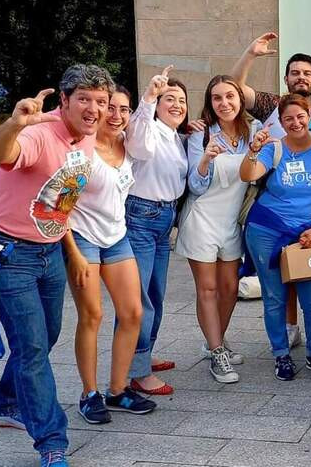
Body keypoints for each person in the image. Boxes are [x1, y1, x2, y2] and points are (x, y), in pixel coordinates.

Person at [0, 64, 115, 467]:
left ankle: (4, 402)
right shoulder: (40, 133)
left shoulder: (87, 138)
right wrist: (13, 123)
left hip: (51, 249)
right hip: (10, 252)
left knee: (47, 334)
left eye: (101, 101)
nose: (93, 109)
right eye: (84, 100)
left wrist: (72, 250)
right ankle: (51, 441)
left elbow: (61, 202)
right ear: (64, 101)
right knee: (33, 347)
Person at [230, 32, 311, 347]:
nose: (301, 78)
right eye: (295, 73)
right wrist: (251, 53)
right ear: (287, 78)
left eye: (307, 73)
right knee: (282, 274)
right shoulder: (272, 106)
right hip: (274, 200)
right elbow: (235, 89)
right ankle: (290, 327)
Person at [61, 85, 155, 424]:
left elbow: (150, 132)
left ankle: (117, 390)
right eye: (110, 108)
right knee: (93, 316)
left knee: (132, 312)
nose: (116, 116)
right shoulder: (80, 151)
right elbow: (60, 209)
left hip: (117, 237)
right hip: (82, 239)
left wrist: (150, 99)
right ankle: (89, 394)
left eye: (124, 110)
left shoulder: (127, 144)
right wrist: (74, 253)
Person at [240, 94, 311, 381]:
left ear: (309, 116)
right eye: (288, 119)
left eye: (300, 116)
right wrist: (253, 152)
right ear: (281, 123)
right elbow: (248, 175)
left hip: (308, 235)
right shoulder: (273, 149)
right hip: (267, 229)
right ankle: (280, 354)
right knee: (274, 296)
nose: (296, 122)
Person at [176, 75, 259, 383]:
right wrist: (205, 160)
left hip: (232, 221)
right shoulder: (202, 135)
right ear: (209, 103)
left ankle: (216, 342)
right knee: (208, 289)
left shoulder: (255, 131)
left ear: (240, 99)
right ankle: (217, 352)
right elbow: (195, 186)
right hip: (201, 219)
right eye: (216, 98)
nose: (224, 103)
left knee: (229, 288)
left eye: (229, 97)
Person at [123, 68, 189, 396]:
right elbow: (137, 144)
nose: (176, 104)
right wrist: (149, 96)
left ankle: (143, 356)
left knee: (156, 294)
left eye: (181, 100)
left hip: (164, 221)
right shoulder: (147, 128)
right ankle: (136, 371)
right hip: (141, 217)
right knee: (140, 299)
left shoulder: (177, 136)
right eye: (169, 99)